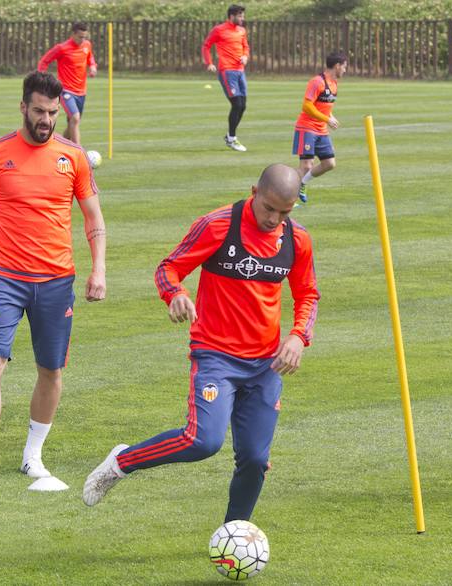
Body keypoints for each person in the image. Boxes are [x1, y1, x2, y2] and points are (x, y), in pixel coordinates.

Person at [83, 164, 319, 523]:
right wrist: (174, 294)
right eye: (269, 208)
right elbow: (169, 268)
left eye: (285, 212)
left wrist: (299, 336)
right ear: (254, 192)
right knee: (202, 441)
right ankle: (121, 462)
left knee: (255, 460)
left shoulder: (297, 240)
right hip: (216, 356)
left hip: (265, 365)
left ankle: (233, 537)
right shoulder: (218, 225)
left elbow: (308, 294)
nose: (275, 219)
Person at [0, 71, 107, 487]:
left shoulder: (74, 156)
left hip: (56, 281)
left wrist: (99, 269)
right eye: (39, 111)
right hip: (4, 277)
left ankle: (32, 457)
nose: (46, 119)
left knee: (51, 370)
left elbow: (93, 219)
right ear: (23, 108)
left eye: (52, 112)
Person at [293, 51, 347, 203]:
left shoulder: (335, 84)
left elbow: (324, 107)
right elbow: (307, 106)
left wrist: (330, 116)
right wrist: (326, 119)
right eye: (344, 66)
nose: (345, 70)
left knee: (329, 163)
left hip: (321, 130)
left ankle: (302, 183)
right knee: (306, 165)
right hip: (307, 128)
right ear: (337, 66)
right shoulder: (317, 82)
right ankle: (289, 199)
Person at [38, 22, 98, 146]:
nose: (83, 40)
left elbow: (90, 58)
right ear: (73, 34)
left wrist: (92, 66)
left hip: (81, 91)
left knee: (73, 122)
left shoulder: (87, 45)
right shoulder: (62, 48)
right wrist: (42, 79)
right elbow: (44, 61)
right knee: (75, 118)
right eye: (80, 37)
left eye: (85, 37)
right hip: (66, 91)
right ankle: (79, 153)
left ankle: (60, 144)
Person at [202, 4, 250, 152]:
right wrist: (209, 63)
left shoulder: (242, 30)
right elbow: (206, 45)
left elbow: (246, 47)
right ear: (232, 16)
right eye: (240, 16)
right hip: (227, 71)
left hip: (240, 71)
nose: (243, 18)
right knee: (236, 104)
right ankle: (232, 139)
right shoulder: (219, 30)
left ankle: (229, 136)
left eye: (243, 15)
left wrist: (245, 56)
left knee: (242, 105)